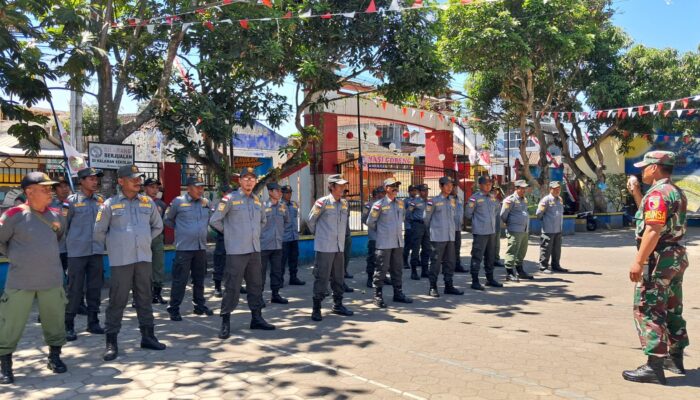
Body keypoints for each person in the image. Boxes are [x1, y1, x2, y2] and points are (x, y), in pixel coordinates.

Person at [622, 151, 689, 385]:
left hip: (659, 257)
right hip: (675, 256)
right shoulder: (674, 192)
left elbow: (652, 229)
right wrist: (637, 193)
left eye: (645, 167)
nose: (642, 171)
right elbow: (652, 218)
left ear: (655, 168)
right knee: (672, 306)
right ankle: (675, 358)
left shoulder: (658, 194)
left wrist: (639, 261)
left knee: (650, 308)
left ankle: (654, 366)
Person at [0, 172, 68, 384]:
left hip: (51, 279)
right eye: (44, 188)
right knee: (9, 324)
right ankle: (5, 365)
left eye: (50, 188)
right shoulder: (13, 215)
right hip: (21, 280)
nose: (50, 192)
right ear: (29, 192)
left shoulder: (56, 215)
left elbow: (57, 238)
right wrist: (16, 257)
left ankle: (54, 357)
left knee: (55, 321)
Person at [93, 165, 166, 361]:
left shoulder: (147, 202)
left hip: (143, 258)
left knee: (145, 298)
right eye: (132, 178)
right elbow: (99, 232)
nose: (137, 181)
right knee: (117, 301)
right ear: (120, 181)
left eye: (138, 178)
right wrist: (116, 245)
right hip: (121, 261)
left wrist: (144, 240)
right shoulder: (109, 204)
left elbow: (158, 226)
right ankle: (111, 343)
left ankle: (148, 337)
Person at [209, 167, 275, 339]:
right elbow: (215, 220)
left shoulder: (257, 200)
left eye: (252, 178)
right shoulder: (230, 199)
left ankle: (257, 318)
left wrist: (253, 235)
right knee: (232, 287)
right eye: (245, 178)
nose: (249, 181)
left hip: (254, 250)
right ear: (239, 181)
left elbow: (263, 221)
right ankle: (225, 321)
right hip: (236, 251)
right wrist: (231, 234)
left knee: (256, 285)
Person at [64, 167, 106, 342]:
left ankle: (93, 321)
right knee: (75, 289)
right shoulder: (71, 202)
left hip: (96, 251)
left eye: (96, 179)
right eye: (90, 179)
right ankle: (69, 325)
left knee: (95, 288)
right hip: (77, 253)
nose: (95, 182)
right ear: (81, 181)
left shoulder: (101, 201)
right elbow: (63, 226)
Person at [164, 176, 213, 321]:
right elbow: (167, 220)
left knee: (199, 279)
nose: (200, 190)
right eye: (197, 187)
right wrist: (182, 230)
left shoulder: (206, 203)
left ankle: (199, 305)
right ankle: (174, 308)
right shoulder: (178, 202)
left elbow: (212, 217)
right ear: (189, 188)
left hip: (200, 247)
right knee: (180, 280)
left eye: (202, 187)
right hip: (184, 248)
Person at [307, 174, 354, 321]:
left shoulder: (345, 203)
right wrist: (321, 236)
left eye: (343, 185)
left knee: (338, 277)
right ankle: (316, 308)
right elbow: (310, 221)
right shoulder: (322, 202)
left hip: (339, 247)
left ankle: (338, 304)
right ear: (331, 186)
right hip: (325, 247)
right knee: (322, 277)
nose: (342, 188)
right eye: (339, 185)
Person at [366, 178, 413, 308]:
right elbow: (370, 222)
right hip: (384, 243)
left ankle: (398, 294)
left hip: (397, 243)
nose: (395, 188)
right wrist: (382, 231)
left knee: (397, 269)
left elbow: (402, 218)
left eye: (396, 186)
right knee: (381, 270)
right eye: (392, 186)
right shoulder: (378, 205)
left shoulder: (401, 204)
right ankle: (377, 296)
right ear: (386, 188)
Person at [424, 176, 464, 297]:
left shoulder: (453, 200)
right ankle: (433, 287)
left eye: (451, 185)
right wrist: (434, 230)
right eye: (447, 185)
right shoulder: (433, 201)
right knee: (435, 263)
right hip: (438, 237)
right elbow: (426, 219)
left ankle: (449, 285)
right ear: (441, 186)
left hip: (450, 237)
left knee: (450, 262)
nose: (449, 187)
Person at [466, 175, 502, 290]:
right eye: (486, 184)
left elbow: (497, 210)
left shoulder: (492, 198)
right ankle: (475, 281)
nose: (489, 186)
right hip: (480, 232)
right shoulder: (474, 198)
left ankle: (490, 279)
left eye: (490, 184)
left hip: (491, 232)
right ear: (480, 185)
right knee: (477, 256)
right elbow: (468, 214)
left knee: (490, 256)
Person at [260, 182, 290, 305]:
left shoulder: (283, 206)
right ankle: (258, 296)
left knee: (277, 271)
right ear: (270, 192)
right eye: (277, 191)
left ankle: (275, 294)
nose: (280, 193)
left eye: (280, 191)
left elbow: (287, 221)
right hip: (263, 245)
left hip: (278, 244)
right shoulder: (262, 206)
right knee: (260, 273)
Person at [500, 180, 533, 282]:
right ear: (516, 188)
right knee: (512, 250)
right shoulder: (510, 200)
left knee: (522, 251)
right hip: (514, 229)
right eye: (521, 188)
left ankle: (520, 271)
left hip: (524, 230)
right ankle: (509, 273)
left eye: (525, 188)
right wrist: (510, 223)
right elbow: (503, 215)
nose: (524, 190)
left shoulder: (524, 199)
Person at [143, 178, 168, 304]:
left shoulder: (161, 204)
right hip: (142, 238)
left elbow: (165, 221)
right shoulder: (138, 202)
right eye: (152, 187)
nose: (155, 190)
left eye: (157, 188)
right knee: (141, 268)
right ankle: (140, 296)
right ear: (145, 188)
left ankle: (157, 294)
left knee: (158, 266)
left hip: (157, 238)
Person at [536, 181, 567, 274]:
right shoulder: (546, 200)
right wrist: (546, 222)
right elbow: (538, 214)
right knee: (546, 248)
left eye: (559, 189)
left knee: (557, 249)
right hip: (548, 229)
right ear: (550, 189)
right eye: (555, 189)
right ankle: (543, 266)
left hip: (558, 229)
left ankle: (556, 265)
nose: (558, 190)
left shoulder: (560, 199)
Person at [212, 184, 234, 297]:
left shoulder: (234, 203)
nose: (230, 194)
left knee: (235, 263)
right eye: (228, 192)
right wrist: (225, 231)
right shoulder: (220, 204)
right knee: (219, 262)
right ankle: (217, 287)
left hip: (234, 239)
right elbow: (214, 222)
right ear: (223, 193)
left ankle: (236, 286)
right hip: (222, 237)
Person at [281, 185, 305, 286]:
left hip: (294, 236)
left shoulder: (294, 204)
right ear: (282, 193)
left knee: (294, 259)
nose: (289, 194)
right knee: (282, 260)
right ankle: (279, 280)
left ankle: (293, 278)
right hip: (284, 238)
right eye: (287, 193)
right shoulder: (279, 205)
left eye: (290, 192)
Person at [363, 186, 385, 288]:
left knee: (383, 259)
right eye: (380, 193)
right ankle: (370, 278)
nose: (382, 195)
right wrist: (376, 226)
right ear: (375, 194)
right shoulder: (369, 205)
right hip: (374, 237)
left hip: (384, 238)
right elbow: (364, 219)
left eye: (383, 193)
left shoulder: (386, 204)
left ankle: (382, 277)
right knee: (372, 258)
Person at [407, 184, 430, 280]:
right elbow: (408, 214)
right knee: (415, 249)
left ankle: (425, 270)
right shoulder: (414, 202)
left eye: (427, 190)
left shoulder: (429, 202)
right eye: (424, 191)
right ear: (420, 192)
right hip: (417, 226)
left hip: (426, 227)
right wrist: (413, 222)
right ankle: (414, 271)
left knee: (426, 248)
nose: (426, 192)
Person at [451, 185, 468, 273]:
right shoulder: (447, 199)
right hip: (449, 228)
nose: (455, 190)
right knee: (448, 249)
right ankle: (448, 267)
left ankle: (457, 265)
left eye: (456, 188)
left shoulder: (459, 199)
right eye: (453, 188)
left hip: (458, 228)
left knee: (457, 248)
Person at [341, 189, 354, 293]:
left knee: (346, 256)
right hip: (337, 237)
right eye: (343, 192)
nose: (344, 195)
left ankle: (344, 272)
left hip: (346, 233)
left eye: (345, 193)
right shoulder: (328, 203)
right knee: (337, 260)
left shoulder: (346, 204)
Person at [402, 185, 418, 269]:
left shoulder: (419, 200)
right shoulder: (405, 201)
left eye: (415, 190)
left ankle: (416, 260)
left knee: (416, 244)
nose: (414, 192)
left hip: (417, 226)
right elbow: (403, 213)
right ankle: (404, 261)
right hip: (409, 226)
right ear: (409, 192)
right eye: (412, 191)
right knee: (407, 245)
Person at [492, 184, 506, 267]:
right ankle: (489, 260)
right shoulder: (488, 200)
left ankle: (496, 260)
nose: (495, 192)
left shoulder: (497, 201)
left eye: (497, 191)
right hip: (489, 227)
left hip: (497, 226)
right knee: (490, 245)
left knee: (497, 245)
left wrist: (501, 193)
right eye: (493, 191)